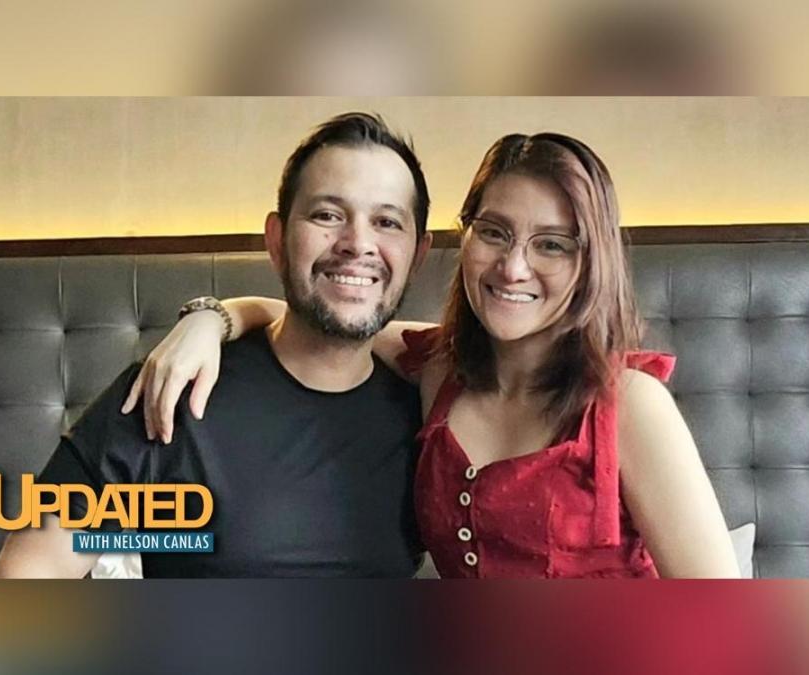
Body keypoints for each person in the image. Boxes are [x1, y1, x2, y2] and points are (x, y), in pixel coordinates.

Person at [126, 132, 740, 578]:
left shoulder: (628, 407)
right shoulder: (439, 370)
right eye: (494, 232)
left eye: (552, 244)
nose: (513, 267)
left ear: (591, 262)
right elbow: (322, 314)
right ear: (463, 237)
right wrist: (212, 316)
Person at [0, 112, 433, 578]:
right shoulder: (173, 389)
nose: (357, 243)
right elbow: (27, 576)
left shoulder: (432, 414)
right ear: (277, 240)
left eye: (387, 221)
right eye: (327, 215)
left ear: (418, 255)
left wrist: (218, 313)